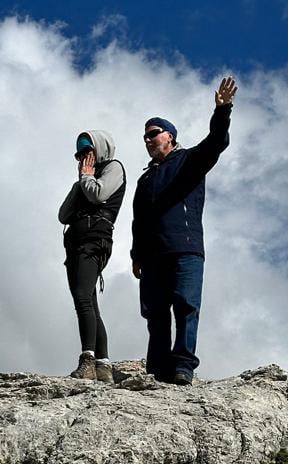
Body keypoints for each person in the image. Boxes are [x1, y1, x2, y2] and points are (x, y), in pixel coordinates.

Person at [131, 77, 238, 385]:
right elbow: (139, 220)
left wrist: (223, 110)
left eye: (154, 134)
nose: (148, 140)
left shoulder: (190, 160)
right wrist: (136, 255)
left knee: (186, 306)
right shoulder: (145, 180)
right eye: (145, 137)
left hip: (185, 249)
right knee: (155, 314)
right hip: (152, 257)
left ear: (171, 137)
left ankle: (183, 366)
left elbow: (217, 141)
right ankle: (158, 369)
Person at [58, 131, 126, 382]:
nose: (84, 157)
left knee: (83, 298)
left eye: (88, 151)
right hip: (76, 244)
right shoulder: (86, 179)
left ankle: (88, 360)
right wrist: (81, 182)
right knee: (89, 302)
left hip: (93, 242)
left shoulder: (114, 168)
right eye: (80, 154)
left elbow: (99, 195)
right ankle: (103, 365)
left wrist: (87, 179)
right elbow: (63, 215)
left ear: (100, 150)